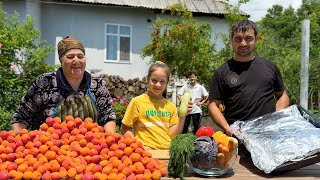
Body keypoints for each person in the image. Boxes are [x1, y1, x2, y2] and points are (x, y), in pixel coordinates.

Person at [11, 36, 116, 134]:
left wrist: (110, 141)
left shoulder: (97, 84)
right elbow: (21, 117)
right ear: (61, 61)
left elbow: (108, 117)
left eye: (80, 56)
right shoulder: (45, 83)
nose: (76, 60)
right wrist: (20, 144)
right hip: (46, 150)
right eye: (70, 57)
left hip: (89, 150)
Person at [208, 20, 289, 137]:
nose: (243, 43)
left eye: (248, 38)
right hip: (239, 137)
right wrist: (227, 128)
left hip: (270, 135)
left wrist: (275, 115)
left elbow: (282, 95)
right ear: (231, 40)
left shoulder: (270, 67)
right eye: (238, 39)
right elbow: (212, 105)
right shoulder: (222, 72)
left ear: (256, 39)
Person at [120, 61, 192, 149]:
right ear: (147, 79)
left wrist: (182, 116)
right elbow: (124, 129)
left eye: (162, 81)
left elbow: (173, 135)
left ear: (167, 83)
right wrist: (136, 145)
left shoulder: (170, 106)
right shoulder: (137, 102)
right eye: (154, 80)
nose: (158, 84)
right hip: (145, 153)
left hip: (166, 152)